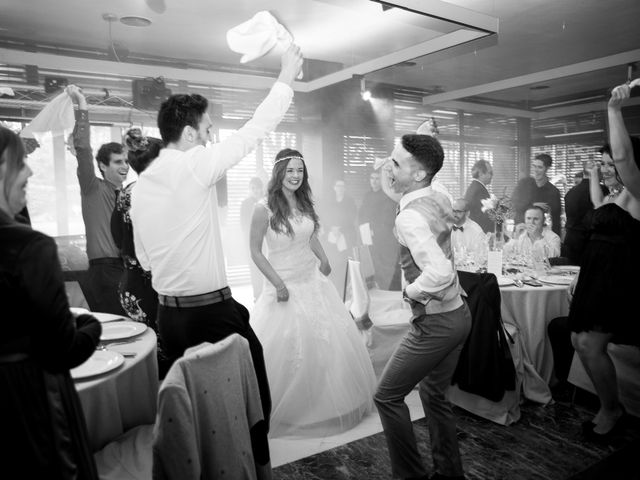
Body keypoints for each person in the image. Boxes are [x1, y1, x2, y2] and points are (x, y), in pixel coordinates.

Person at [130, 45, 303, 431]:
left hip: (169, 318)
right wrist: (286, 76)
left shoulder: (140, 185)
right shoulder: (195, 163)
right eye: (208, 130)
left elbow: (144, 259)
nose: (211, 138)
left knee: (193, 412)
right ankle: (257, 467)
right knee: (252, 404)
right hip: (209, 314)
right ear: (189, 134)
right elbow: (254, 132)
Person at [249, 148, 376, 438]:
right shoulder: (263, 207)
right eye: (290, 170)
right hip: (283, 284)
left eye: (300, 171)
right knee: (290, 345)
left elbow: (311, 235)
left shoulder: (304, 201)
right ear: (279, 172)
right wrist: (278, 284)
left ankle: (328, 404)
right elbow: (256, 252)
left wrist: (324, 258)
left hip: (312, 280)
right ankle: (293, 411)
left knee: (327, 340)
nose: (295, 176)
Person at [0, 125, 102, 479]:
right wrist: (91, 325)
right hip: (29, 400)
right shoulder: (30, 248)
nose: (28, 171)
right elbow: (64, 350)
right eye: (20, 162)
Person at [374, 134, 471, 480]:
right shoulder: (437, 195)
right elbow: (406, 183)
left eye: (396, 162)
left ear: (417, 175)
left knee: (386, 396)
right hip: (460, 314)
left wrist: (412, 292)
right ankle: (448, 473)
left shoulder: (409, 218)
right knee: (434, 394)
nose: (389, 164)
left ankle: (409, 475)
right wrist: (396, 159)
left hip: (436, 324)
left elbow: (440, 272)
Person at [569, 78, 640, 441]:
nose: (610, 166)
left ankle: (613, 410)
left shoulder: (638, 194)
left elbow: (625, 158)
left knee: (592, 345)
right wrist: (595, 172)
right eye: (605, 162)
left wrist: (613, 109)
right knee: (580, 342)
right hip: (596, 277)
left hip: (617, 281)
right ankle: (608, 404)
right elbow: (598, 206)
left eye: (612, 162)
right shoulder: (615, 197)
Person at [66, 85, 128, 315]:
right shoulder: (93, 187)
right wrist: (82, 104)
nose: (125, 166)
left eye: (126, 161)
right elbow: (83, 148)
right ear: (103, 165)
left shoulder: (127, 194)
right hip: (104, 271)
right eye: (118, 162)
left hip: (125, 270)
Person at [111, 128, 168, 376]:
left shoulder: (126, 192)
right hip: (152, 287)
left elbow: (116, 234)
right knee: (164, 356)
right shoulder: (155, 194)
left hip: (130, 284)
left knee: (145, 354)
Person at [561, 153, 607, 265]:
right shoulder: (602, 191)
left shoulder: (570, 193)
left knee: (568, 274)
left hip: (571, 239)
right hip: (589, 241)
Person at [358, 168, 400, 289]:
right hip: (368, 238)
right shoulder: (367, 196)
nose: (374, 181)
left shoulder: (387, 197)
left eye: (377, 179)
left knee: (384, 268)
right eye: (372, 179)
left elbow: (387, 219)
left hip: (384, 239)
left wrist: (374, 229)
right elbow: (361, 215)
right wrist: (364, 228)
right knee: (371, 266)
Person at [322, 178, 358, 294]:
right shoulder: (328, 201)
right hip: (331, 235)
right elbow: (324, 216)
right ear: (334, 187)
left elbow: (351, 217)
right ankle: (333, 288)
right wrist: (332, 228)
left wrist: (340, 228)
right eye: (338, 186)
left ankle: (343, 288)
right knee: (333, 261)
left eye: (342, 186)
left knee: (343, 262)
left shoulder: (350, 201)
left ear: (345, 188)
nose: (340, 188)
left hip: (346, 234)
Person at [511, 153, 562, 236]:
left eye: (540, 167)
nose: (536, 170)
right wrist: (532, 205)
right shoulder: (523, 184)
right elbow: (512, 204)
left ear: (547, 168)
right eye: (534, 166)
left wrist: (556, 241)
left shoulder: (553, 191)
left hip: (541, 235)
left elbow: (556, 220)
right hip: (521, 232)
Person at [240, 176, 265, 300]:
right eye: (252, 188)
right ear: (249, 189)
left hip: (266, 242)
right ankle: (257, 295)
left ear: (261, 189)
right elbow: (243, 225)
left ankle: (267, 295)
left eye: (257, 188)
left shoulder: (267, 202)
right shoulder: (245, 204)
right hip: (251, 242)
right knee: (254, 269)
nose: (255, 190)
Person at [450, 198, 487, 267]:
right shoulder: (445, 227)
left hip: (469, 271)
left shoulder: (476, 231)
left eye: (458, 211)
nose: (454, 214)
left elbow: (481, 257)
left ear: (467, 213)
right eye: (453, 211)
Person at [464, 159, 494, 232]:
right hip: (480, 233)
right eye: (490, 173)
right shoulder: (479, 190)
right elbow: (483, 218)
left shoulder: (473, 187)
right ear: (480, 174)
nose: (491, 176)